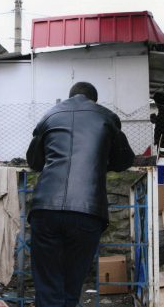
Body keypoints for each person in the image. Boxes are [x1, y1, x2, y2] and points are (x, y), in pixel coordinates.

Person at [26, 82, 135, 307]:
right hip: (87, 211)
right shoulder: (106, 117)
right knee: (72, 285)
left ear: (69, 96)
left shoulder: (50, 116)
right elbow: (124, 160)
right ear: (93, 99)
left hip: (46, 209)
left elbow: (34, 161)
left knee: (47, 285)